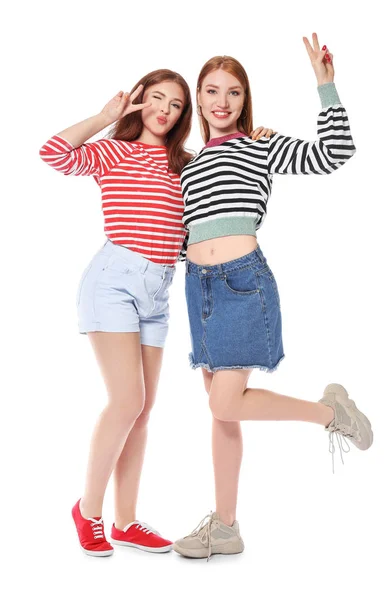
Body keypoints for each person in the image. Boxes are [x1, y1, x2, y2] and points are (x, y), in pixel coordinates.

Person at [39, 69, 273, 557]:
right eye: (156, 99)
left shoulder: (185, 164)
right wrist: (105, 118)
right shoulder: (114, 152)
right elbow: (53, 153)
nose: (164, 110)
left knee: (141, 412)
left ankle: (125, 522)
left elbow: (215, 204)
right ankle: (89, 510)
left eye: (176, 104)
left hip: (160, 289)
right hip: (114, 281)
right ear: (139, 102)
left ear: (186, 115)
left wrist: (255, 142)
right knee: (126, 402)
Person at [173, 33, 373, 561]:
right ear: (198, 98)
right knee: (223, 414)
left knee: (223, 400)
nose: (222, 102)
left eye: (233, 92)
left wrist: (326, 87)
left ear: (245, 99)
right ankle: (226, 525)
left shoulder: (259, 143)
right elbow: (181, 235)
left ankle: (329, 414)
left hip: (243, 283)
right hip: (201, 290)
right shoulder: (189, 165)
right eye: (211, 91)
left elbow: (335, 153)